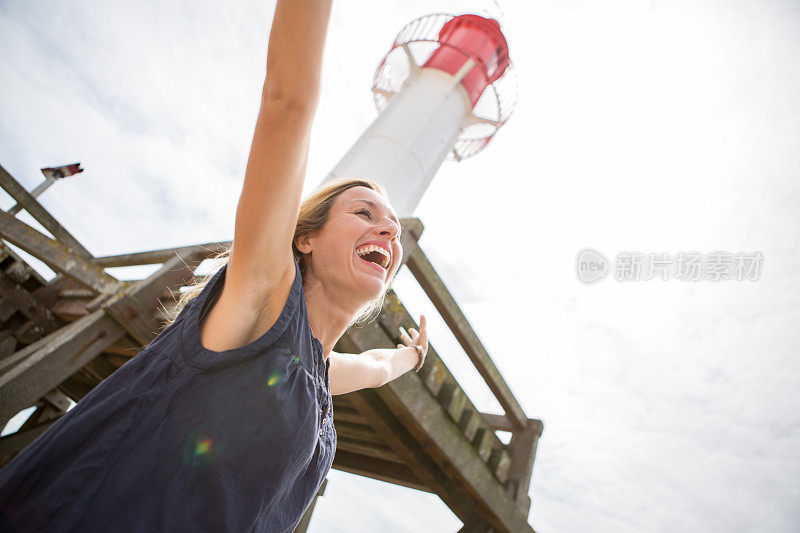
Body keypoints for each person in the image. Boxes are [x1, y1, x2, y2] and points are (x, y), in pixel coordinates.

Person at [0, 0, 428, 531]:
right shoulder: (266, 296)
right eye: (363, 212)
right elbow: (286, 103)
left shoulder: (318, 373)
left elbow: (376, 368)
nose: (389, 230)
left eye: (394, 227)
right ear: (304, 239)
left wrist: (410, 358)